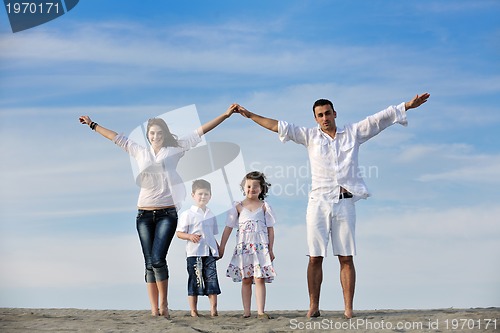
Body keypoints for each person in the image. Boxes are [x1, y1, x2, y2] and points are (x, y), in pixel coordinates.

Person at [236, 93, 430, 319]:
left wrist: (406, 106)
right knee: (315, 257)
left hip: (345, 202)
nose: (325, 118)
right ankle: (313, 306)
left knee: (346, 257)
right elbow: (278, 126)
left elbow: (379, 119)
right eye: (320, 115)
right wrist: (250, 115)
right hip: (318, 203)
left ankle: (348, 308)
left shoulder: (353, 133)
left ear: (334, 114)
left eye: (328, 113)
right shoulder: (309, 136)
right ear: (315, 119)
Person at [78, 104, 238, 318]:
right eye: (152, 133)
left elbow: (201, 131)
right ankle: (154, 308)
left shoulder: (176, 149)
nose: (156, 136)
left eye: (159, 132)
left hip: (167, 213)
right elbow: (115, 137)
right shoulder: (139, 151)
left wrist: (225, 115)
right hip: (143, 214)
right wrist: (92, 124)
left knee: (158, 259)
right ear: (148, 135)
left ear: (164, 134)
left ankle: (164, 304)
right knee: (148, 262)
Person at [219, 171, 277, 319]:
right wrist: (222, 246)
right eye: (249, 186)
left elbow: (270, 230)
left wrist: (270, 249)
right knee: (246, 279)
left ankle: (260, 311)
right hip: (244, 248)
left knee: (259, 278)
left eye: (256, 186)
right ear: (244, 187)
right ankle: (246, 311)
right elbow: (228, 228)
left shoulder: (264, 207)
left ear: (262, 188)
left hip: (260, 248)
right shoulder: (238, 206)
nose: (252, 189)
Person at [176, 179, 221, 317]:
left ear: (210, 196)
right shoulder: (187, 214)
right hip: (194, 253)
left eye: (206, 194)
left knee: (212, 280)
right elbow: (179, 233)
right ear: (193, 195)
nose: (203, 197)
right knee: (195, 280)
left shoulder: (211, 214)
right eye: (200, 194)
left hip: (209, 253)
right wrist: (189, 236)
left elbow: (212, 235)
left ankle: (213, 310)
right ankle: (193, 311)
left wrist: (218, 249)